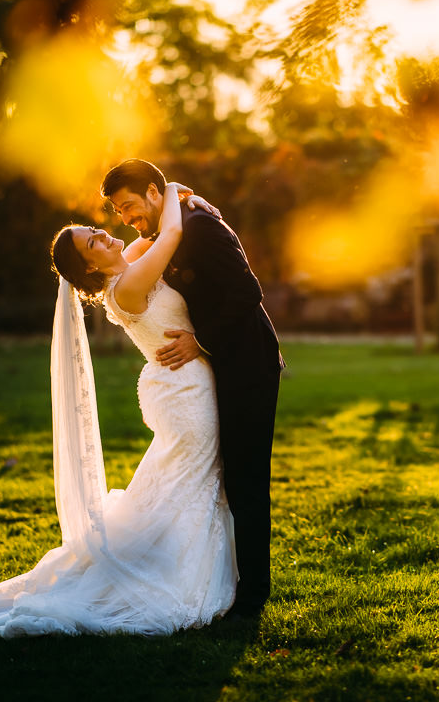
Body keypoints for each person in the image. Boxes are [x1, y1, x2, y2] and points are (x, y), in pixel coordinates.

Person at [0, 183, 237, 638]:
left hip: (182, 387)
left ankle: (180, 562)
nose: (105, 236)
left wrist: (180, 199)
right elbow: (169, 234)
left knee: (180, 486)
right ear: (90, 267)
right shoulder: (128, 286)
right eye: (95, 242)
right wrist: (170, 187)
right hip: (186, 398)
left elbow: (158, 230)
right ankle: (179, 575)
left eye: (96, 229)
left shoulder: (131, 260)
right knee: (191, 484)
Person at [101, 159, 283, 619]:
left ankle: (254, 596)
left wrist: (199, 342)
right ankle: (226, 579)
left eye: (129, 206)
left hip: (249, 364)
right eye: (119, 213)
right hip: (214, 370)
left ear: (152, 193)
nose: (125, 218)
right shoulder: (173, 227)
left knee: (246, 479)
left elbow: (248, 293)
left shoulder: (200, 226)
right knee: (225, 477)